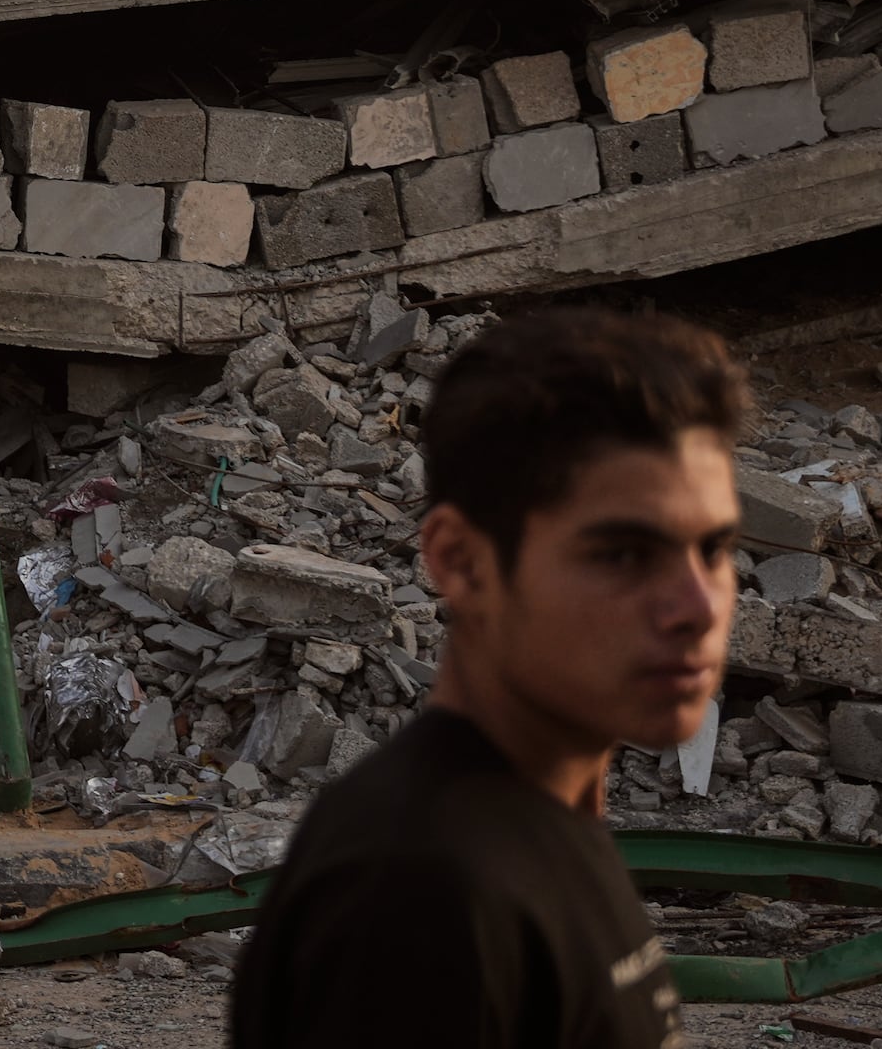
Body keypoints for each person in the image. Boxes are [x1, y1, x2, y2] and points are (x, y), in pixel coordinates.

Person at [230, 307, 747, 1049]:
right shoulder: (420, 894)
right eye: (623, 554)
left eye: (714, 549)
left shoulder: (546, 815)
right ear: (463, 563)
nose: (698, 607)